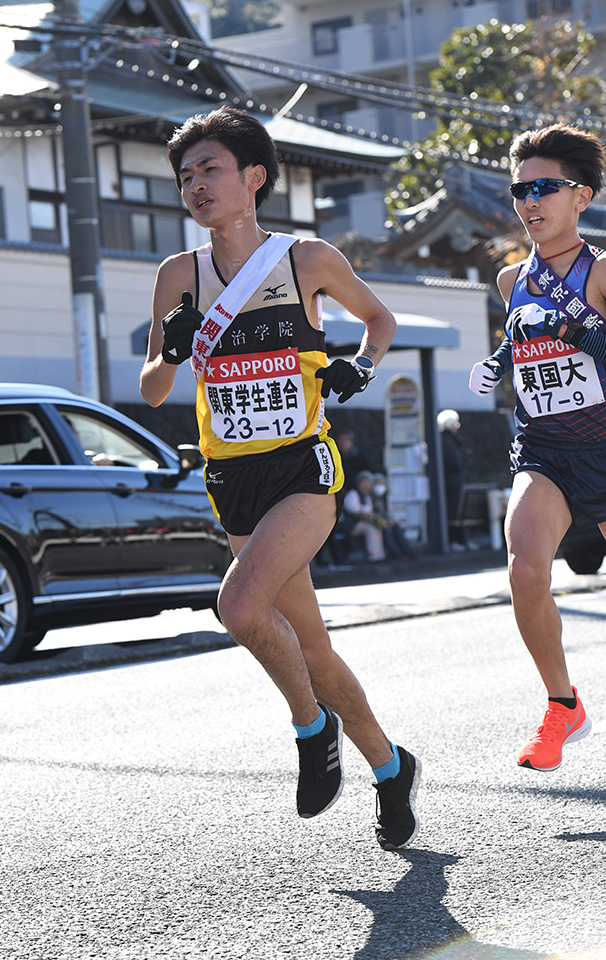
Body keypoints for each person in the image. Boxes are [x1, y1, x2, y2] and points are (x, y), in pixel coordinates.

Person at [139, 106, 421, 850]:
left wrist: (360, 365)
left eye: (210, 169)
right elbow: (153, 390)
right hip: (232, 480)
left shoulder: (307, 260)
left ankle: (311, 729)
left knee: (238, 608)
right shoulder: (178, 275)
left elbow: (380, 319)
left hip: (302, 469)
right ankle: (392, 768)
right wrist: (170, 351)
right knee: (313, 649)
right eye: (186, 175)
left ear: (253, 178)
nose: (196, 184)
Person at [468, 122, 606, 772]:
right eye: (520, 189)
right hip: (545, 449)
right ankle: (561, 705)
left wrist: (584, 330)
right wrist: (496, 364)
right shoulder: (508, 280)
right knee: (525, 570)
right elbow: (523, 342)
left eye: (544, 187)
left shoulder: (601, 271)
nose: (529, 201)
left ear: (580, 195)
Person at [437, 409, 468, 552]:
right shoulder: (447, 441)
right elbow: (454, 463)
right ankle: (453, 541)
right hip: (451, 482)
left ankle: (460, 540)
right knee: (453, 511)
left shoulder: (447, 440)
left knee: (456, 511)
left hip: (452, 481)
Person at [342, 470, 387, 562]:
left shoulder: (367, 497)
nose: (366, 486)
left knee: (377, 526)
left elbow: (370, 512)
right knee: (371, 527)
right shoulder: (353, 494)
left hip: (362, 524)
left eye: (369, 484)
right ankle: (374, 556)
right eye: (364, 483)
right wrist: (372, 518)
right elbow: (356, 513)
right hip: (350, 525)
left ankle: (380, 555)